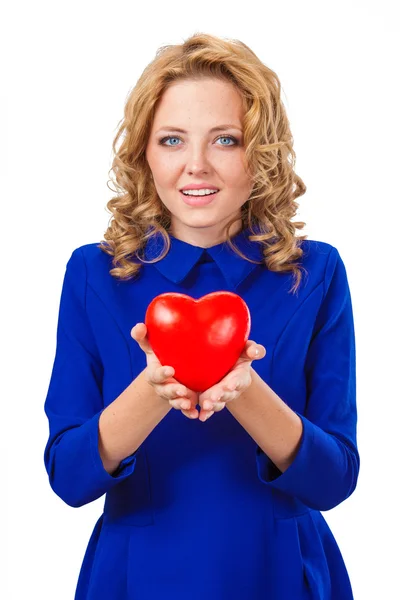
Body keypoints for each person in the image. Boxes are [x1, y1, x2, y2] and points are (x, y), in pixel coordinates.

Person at [43, 32, 360, 600]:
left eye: (225, 140)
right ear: (145, 151)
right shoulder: (94, 275)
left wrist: (244, 389)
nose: (196, 166)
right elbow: (68, 477)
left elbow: (334, 480)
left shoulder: (315, 274)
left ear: (259, 153)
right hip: (136, 579)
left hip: (278, 575)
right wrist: (152, 388)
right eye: (172, 139)